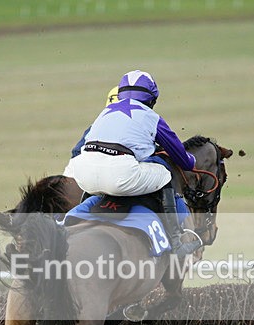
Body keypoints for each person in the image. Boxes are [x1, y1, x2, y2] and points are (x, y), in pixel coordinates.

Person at [65, 70, 199, 257]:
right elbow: (183, 160)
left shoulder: (104, 113)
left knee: (97, 179)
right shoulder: (151, 117)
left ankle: (83, 217)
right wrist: (192, 160)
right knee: (164, 173)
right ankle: (176, 242)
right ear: (152, 99)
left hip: (83, 174)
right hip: (120, 175)